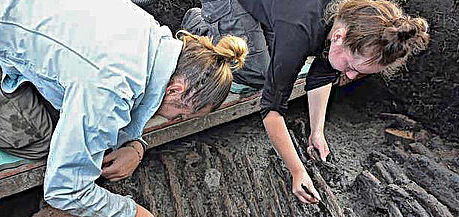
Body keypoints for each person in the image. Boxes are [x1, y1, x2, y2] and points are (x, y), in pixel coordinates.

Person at [0, 0, 247, 217]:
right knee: (39, 139)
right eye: (181, 114)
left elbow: (132, 103)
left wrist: (135, 144)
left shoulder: (152, 39)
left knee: (68, 121)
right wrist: (129, 213)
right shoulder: (110, 84)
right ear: (176, 89)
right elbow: (64, 188)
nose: (173, 119)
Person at [183, 0, 429, 204]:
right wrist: (297, 170)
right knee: (257, 73)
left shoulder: (356, 20)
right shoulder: (299, 31)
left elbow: (323, 71)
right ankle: (200, 25)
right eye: (351, 67)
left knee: (279, 55)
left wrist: (317, 132)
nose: (351, 76)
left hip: (284, 11)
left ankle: (247, 27)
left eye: (360, 73)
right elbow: (271, 108)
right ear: (339, 37)